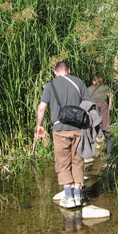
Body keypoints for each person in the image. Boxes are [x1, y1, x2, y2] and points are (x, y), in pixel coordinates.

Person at [36, 61, 91, 209]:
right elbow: (88, 104)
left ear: (55, 72)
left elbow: (41, 108)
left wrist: (39, 125)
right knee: (78, 159)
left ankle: (68, 196)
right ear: (69, 70)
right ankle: (78, 194)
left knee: (62, 161)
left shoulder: (51, 85)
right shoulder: (79, 82)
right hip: (79, 128)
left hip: (60, 128)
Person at [87, 75, 114, 156]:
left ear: (94, 81)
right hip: (104, 110)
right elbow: (111, 96)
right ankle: (110, 155)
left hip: (93, 111)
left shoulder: (89, 89)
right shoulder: (105, 88)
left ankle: (89, 154)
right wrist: (110, 107)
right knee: (108, 132)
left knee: (91, 132)